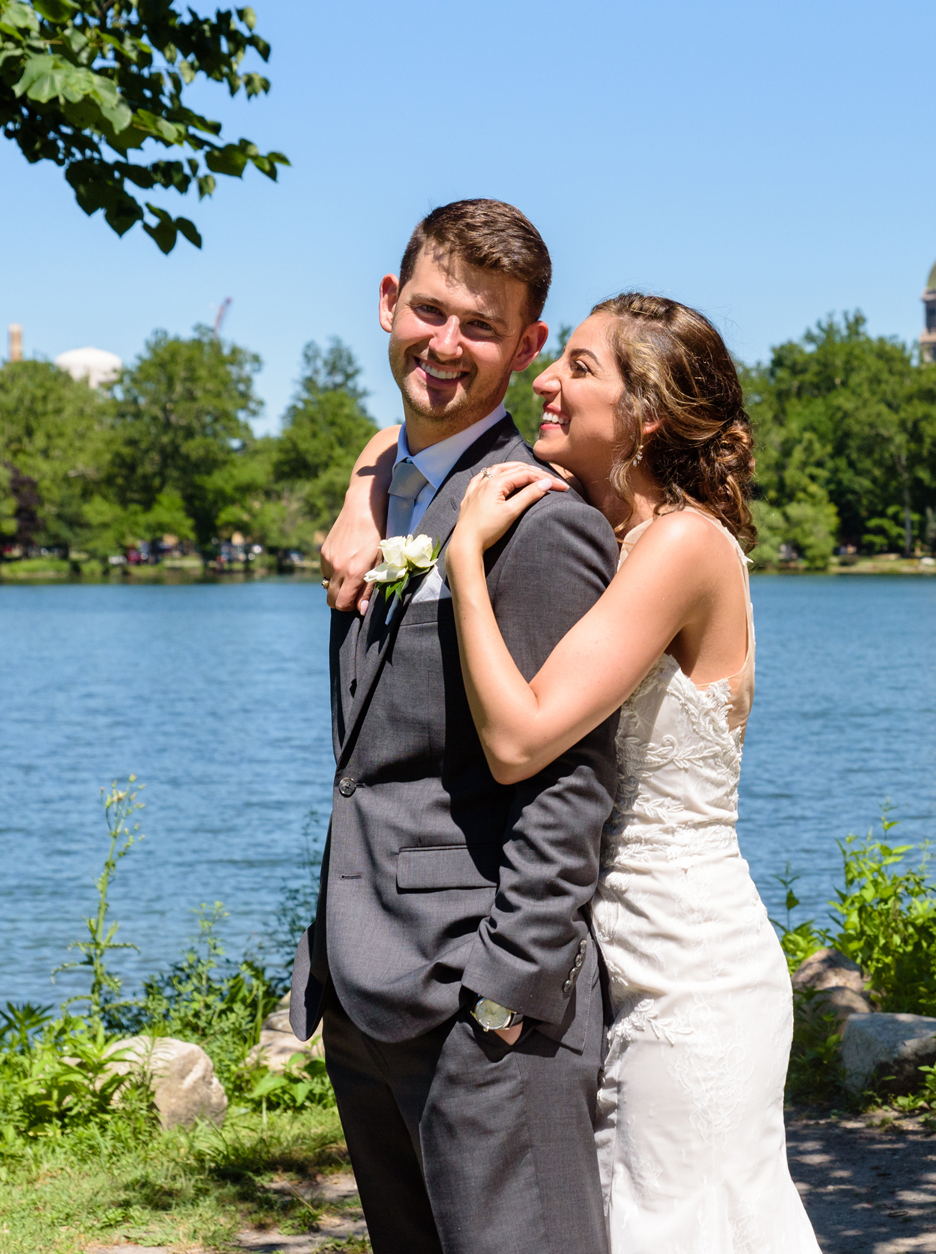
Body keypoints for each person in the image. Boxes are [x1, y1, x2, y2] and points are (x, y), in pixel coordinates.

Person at [325, 293, 820, 1252]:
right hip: (604, 955)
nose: (545, 380)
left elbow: (519, 742)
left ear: (650, 415)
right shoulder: (603, 523)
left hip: (686, 967)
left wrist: (464, 557)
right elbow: (402, 434)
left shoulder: (681, 544)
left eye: (580, 368)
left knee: (679, 1225)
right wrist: (361, 492)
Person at [292, 199, 618, 1254]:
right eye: (428, 310)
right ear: (388, 304)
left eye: (480, 327)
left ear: (527, 349)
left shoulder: (540, 521)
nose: (445, 343)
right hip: (363, 993)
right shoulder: (388, 493)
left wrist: (506, 991)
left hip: (476, 1008)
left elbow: (570, 785)